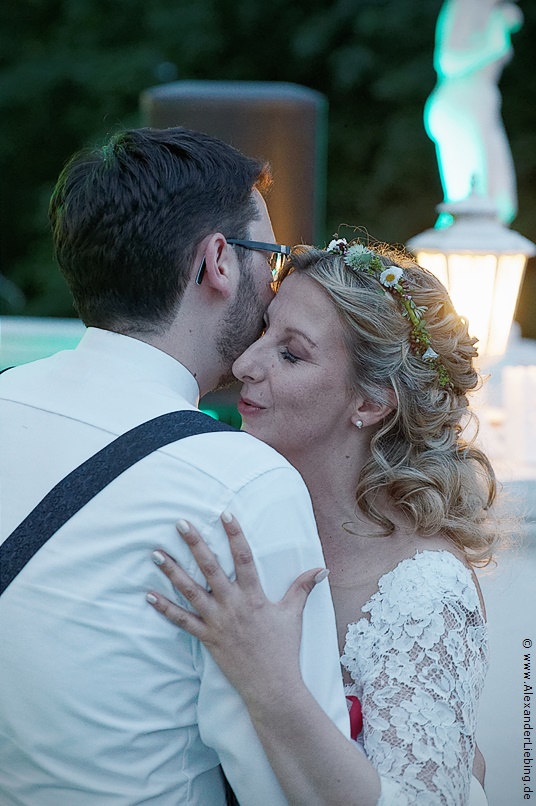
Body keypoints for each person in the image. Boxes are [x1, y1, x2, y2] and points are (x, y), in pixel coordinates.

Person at [0, 127, 350, 805]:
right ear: (218, 260)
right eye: (272, 260)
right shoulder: (239, 483)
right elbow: (288, 791)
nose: (275, 287)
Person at [148, 238, 497, 805]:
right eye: (263, 331)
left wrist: (268, 681)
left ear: (371, 402)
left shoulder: (425, 588)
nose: (244, 365)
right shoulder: (240, 518)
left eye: (291, 353)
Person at [425, 0, 524, 225]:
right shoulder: (468, 3)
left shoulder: (491, 7)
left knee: (501, 205)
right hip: (462, 104)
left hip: (480, 105)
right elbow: (448, 62)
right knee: (470, 207)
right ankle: (442, 258)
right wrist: (494, 42)